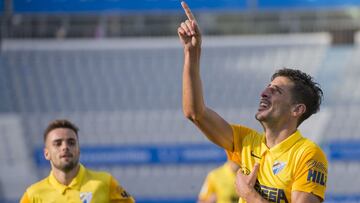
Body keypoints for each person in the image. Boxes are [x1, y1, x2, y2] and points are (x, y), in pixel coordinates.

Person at [177, 1, 328, 203]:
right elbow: (195, 113)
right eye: (267, 87)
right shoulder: (245, 141)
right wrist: (191, 54)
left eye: (275, 90)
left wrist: (249, 195)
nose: (264, 92)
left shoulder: (308, 155)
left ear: (297, 109)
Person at [20, 119, 135, 203]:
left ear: (78, 150)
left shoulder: (105, 182)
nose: (65, 147)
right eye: (58, 143)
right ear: (46, 153)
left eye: (71, 142)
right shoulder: (33, 194)